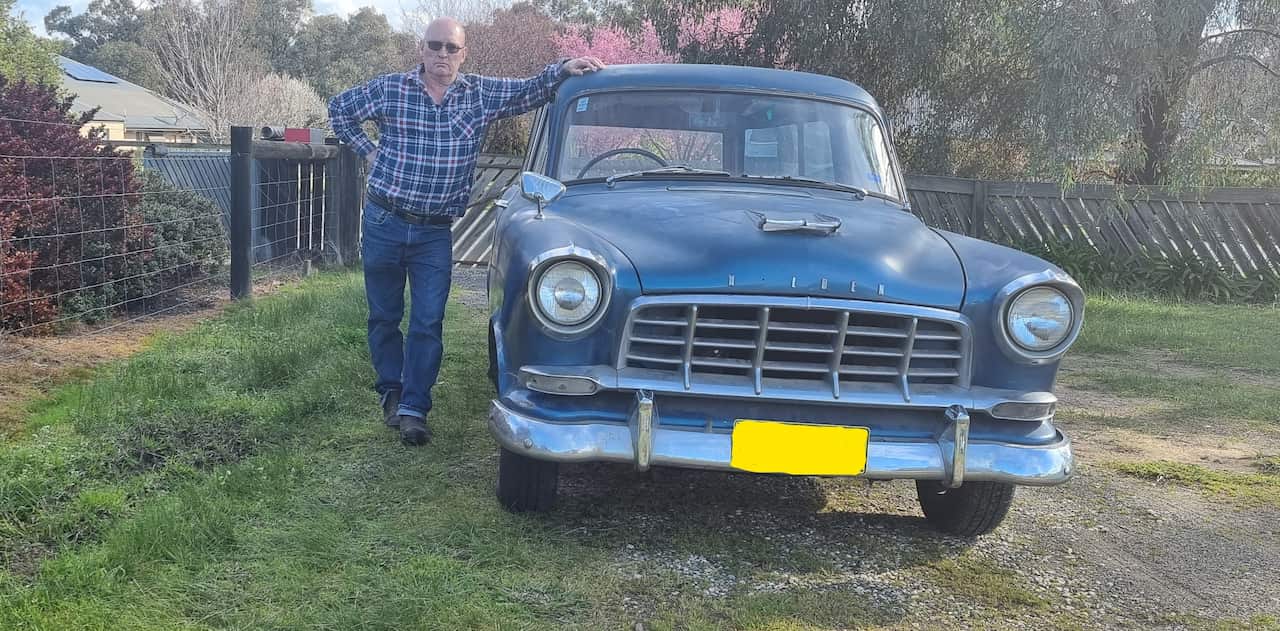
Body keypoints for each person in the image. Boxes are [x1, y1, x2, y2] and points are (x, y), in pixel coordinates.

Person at [328, 17, 606, 446]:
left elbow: (528, 90)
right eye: (434, 46)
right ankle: (391, 388)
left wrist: (564, 67)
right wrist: (371, 153)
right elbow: (340, 110)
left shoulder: (477, 95)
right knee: (384, 316)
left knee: (428, 319)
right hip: (384, 220)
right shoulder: (390, 89)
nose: (442, 55)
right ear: (421, 50)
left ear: (463, 53)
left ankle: (414, 408)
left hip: (434, 232)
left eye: (451, 48)